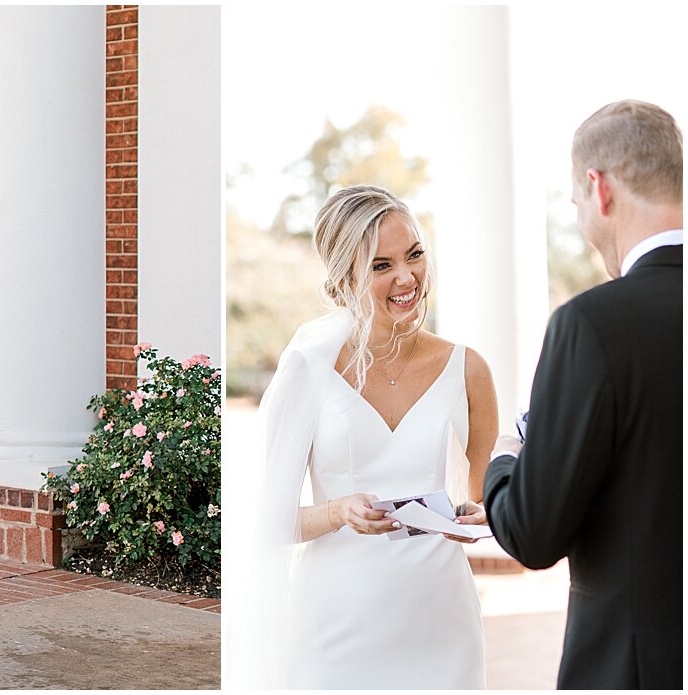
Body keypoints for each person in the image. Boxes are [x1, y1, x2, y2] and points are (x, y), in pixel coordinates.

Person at [226, 185, 497, 688]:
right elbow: (272, 523)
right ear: (343, 278)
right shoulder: (308, 369)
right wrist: (337, 512)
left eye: (414, 255)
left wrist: (486, 512)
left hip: (441, 621)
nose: (406, 277)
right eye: (380, 266)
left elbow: (482, 501)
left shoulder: (468, 369)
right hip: (336, 625)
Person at [484, 99, 683, 689]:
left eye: (573, 202)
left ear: (599, 190)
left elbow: (530, 534)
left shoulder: (592, 325)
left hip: (637, 668)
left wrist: (506, 455)